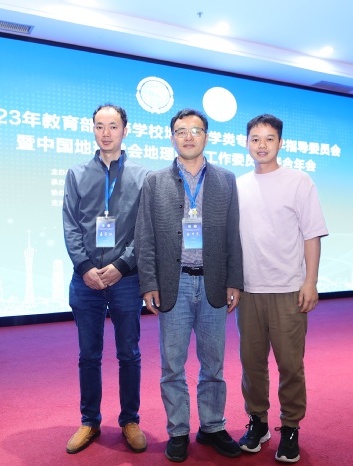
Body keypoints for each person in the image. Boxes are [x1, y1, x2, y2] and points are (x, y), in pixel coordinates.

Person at [135, 108, 244, 462]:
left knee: (214, 364)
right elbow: (144, 237)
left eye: (195, 130)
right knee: (172, 365)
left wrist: (234, 280)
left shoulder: (226, 180)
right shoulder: (154, 182)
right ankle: (178, 430)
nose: (188, 136)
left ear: (207, 137)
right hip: (175, 283)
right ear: (172, 138)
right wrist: (149, 283)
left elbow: (233, 235)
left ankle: (212, 426)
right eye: (181, 131)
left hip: (214, 283)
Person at [235, 114, 328, 463]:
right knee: (252, 364)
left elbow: (312, 234)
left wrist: (310, 281)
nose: (262, 145)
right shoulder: (238, 185)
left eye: (269, 138)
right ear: (246, 143)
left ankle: (290, 427)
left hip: (289, 289)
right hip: (249, 291)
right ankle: (258, 422)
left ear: (280, 143)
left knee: (290, 365)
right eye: (255, 138)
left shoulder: (299, 181)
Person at [62, 103, 150, 454]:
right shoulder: (76, 173)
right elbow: (70, 225)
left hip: (125, 279)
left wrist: (122, 266)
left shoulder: (143, 177)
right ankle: (90, 421)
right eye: (100, 126)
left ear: (125, 130)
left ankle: (130, 420)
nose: (106, 133)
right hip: (86, 280)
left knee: (129, 353)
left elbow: (145, 230)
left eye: (113, 126)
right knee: (89, 355)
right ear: (93, 129)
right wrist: (85, 267)